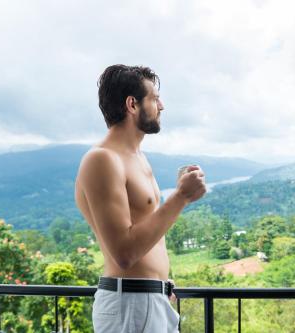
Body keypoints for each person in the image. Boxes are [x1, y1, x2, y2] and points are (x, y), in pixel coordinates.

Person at [74, 65, 206, 332]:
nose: (162, 105)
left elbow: (146, 229)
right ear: (132, 104)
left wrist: (160, 284)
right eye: (154, 98)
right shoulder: (102, 159)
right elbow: (124, 252)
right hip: (130, 306)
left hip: (149, 300)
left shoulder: (136, 158)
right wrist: (180, 197)